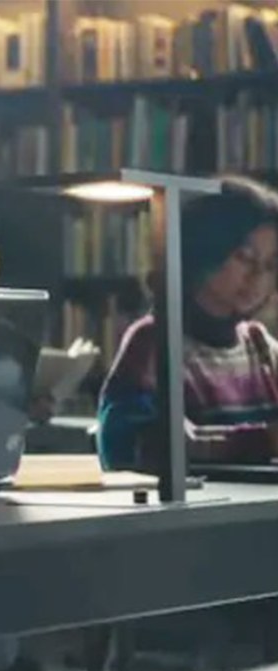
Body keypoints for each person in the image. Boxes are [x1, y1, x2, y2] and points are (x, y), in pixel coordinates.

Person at [99, 175, 278, 472]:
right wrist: (260, 442)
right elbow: (128, 446)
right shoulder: (155, 340)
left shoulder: (260, 346)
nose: (258, 276)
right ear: (205, 251)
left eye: (271, 265)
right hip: (193, 515)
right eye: (244, 257)